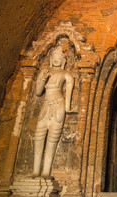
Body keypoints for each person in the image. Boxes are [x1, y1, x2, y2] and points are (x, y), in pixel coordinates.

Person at [33, 46, 74, 178]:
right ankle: (35, 170)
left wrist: (67, 107)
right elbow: (38, 92)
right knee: (39, 135)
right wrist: (43, 79)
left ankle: (46, 171)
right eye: (54, 58)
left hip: (58, 105)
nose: (56, 60)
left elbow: (68, 91)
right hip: (46, 105)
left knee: (52, 138)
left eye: (59, 58)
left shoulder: (66, 74)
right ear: (50, 59)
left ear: (63, 60)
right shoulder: (45, 71)